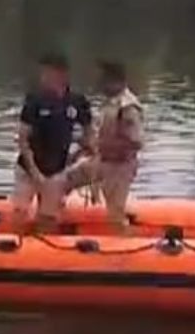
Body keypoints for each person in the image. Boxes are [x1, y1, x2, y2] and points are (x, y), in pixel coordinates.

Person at [13, 53, 95, 231]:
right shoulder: (34, 101)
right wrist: (35, 173)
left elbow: (89, 136)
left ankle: (44, 250)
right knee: (19, 213)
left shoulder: (77, 102)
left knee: (48, 219)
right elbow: (22, 140)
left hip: (56, 170)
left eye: (47, 73)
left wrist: (77, 157)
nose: (43, 78)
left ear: (61, 75)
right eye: (42, 73)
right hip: (29, 168)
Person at [62, 60, 145, 232]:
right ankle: (59, 219)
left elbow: (136, 142)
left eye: (103, 79)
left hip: (120, 166)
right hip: (101, 160)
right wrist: (81, 151)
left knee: (115, 215)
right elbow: (99, 134)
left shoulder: (127, 107)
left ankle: (125, 244)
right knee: (65, 180)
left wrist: (108, 147)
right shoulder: (110, 103)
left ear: (116, 81)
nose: (99, 83)